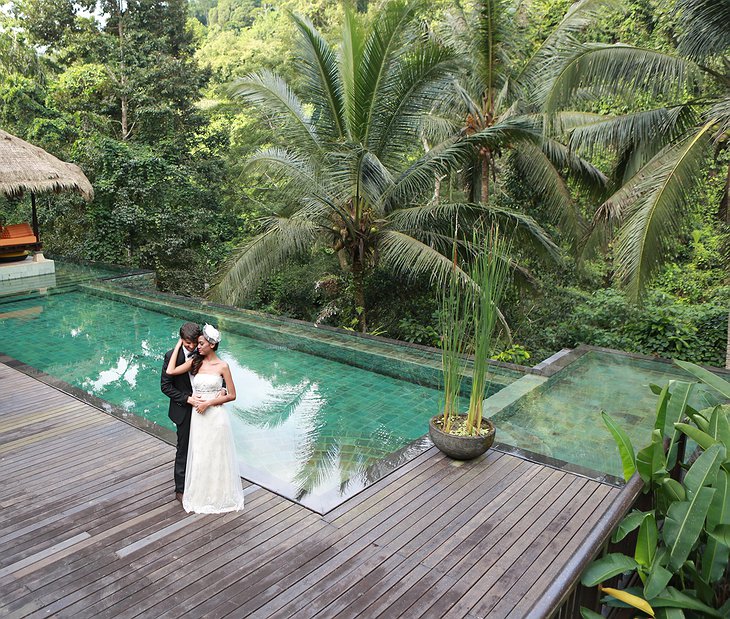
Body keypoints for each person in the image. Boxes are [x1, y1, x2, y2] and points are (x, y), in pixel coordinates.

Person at [166, 323, 245, 513]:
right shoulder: (195, 362)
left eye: (200, 343)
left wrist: (209, 402)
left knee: (217, 453)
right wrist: (178, 345)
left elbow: (232, 394)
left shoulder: (223, 365)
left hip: (214, 415)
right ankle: (193, 490)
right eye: (195, 343)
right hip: (195, 414)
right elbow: (170, 373)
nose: (196, 347)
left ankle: (218, 492)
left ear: (211, 344)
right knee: (198, 452)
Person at [161, 322, 203, 503]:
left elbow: (217, 374)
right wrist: (188, 399)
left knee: (203, 448)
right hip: (184, 411)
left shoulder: (204, 352)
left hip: (205, 410)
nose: (192, 346)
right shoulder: (172, 356)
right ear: (181, 340)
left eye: (194, 342)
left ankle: (201, 483)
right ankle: (180, 489)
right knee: (183, 450)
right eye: (188, 343)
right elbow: (165, 387)